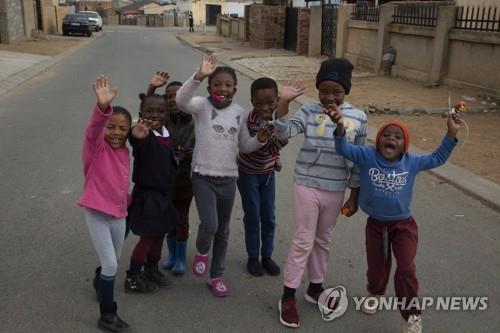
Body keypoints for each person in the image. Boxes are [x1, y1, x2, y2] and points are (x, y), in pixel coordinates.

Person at [327, 108, 461, 333]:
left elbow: (437, 158)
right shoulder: (368, 156)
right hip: (376, 225)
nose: (391, 139)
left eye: (398, 137)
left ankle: (412, 315)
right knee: (377, 268)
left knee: (406, 269)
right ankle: (376, 293)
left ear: (404, 145)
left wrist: (451, 133)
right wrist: (340, 127)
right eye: (386, 135)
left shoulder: (411, 163)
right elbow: (343, 148)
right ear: (378, 141)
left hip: (404, 226)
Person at [274, 58, 367, 328]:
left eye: (336, 91)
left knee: (323, 240)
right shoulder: (308, 111)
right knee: (304, 240)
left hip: (335, 188)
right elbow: (282, 135)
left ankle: (316, 288)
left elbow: (359, 160)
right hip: (307, 183)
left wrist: (354, 194)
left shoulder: (358, 117)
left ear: (346, 91)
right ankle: (288, 296)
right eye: (323, 89)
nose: (328, 96)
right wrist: (284, 104)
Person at [176, 55, 273, 297]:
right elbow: (181, 101)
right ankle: (201, 250)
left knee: (224, 230)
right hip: (203, 176)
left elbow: (244, 146)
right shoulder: (201, 106)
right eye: (217, 84)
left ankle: (216, 275)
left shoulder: (239, 113)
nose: (223, 88)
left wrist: (259, 140)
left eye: (228, 85)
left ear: (235, 89)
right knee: (210, 223)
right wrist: (198, 76)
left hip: (229, 178)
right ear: (210, 87)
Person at [77, 75, 131, 333]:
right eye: (112, 126)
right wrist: (102, 109)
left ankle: (101, 282)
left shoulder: (125, 151)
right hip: (97, 214)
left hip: (119, 215)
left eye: (123, 128)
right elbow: (94, 129)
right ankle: (107, 315)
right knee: (111, 264)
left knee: (113, 262)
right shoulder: (95, 146)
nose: (117, 132)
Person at [237, 77, 304, 277]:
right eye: (260, 103)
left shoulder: (280, 119)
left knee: (269, 216)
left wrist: (275, 156)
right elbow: (251, 147)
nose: (266, 108)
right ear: (252, 103)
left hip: (266, 174)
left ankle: (266, 255)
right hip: (248, 172)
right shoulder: (249, 121)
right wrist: (272, 149)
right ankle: (252, 257)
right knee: (253, 215)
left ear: (277, 101)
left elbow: (277, 143)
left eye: (271, 103)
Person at [124, 93, 179, 293]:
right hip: (147, 195)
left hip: (164, 194)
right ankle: (132, 276)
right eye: (149, 111)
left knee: (159, 234)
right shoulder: (144, 135)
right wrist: (135, 134)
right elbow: (136, 138)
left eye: (160, 111)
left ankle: (151, 269)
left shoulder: (165, 133)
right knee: (147, 237)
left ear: (167, 114)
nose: (155, 115)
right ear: (141, 115)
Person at [147, 71, 195, 275]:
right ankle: (172, 254)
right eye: (168, 97)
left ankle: (181, 257)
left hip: (186, 181)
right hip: (165, 181)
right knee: (168, 218)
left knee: (181, 218)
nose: (172, 100)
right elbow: (147, 110)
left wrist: (188, 154)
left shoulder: (195, 120)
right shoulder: (163, 119)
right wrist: (152, 88)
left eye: (177, 96)